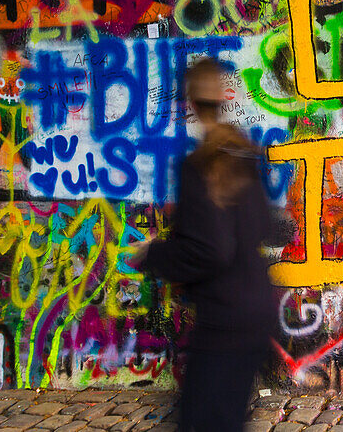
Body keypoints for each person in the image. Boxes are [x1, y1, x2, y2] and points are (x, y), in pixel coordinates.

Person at [130, 57, 276, 432]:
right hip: (256, 313)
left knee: (199, 423)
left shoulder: (198, 167)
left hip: (225, 321)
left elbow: (211, 250)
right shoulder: (242, 156)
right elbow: (261, 225)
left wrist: (154, 254)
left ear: (190, 105)